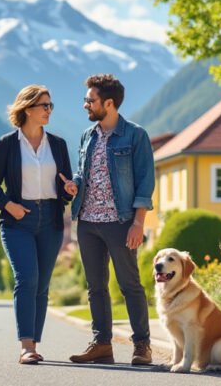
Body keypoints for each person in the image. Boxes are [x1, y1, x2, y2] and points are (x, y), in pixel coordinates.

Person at [62, 73, 155, 366]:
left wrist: (138, 223)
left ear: (109, 103)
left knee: (130, 285)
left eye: (90, 100)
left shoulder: (135, 135)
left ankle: (142, 346)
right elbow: (84, 172)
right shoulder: (87, 136)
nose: (85, 105)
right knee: (96, 287)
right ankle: (102, 344)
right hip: (87, 221)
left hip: (120, 221)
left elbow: (145, 181)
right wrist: (74, 184)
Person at [0, 85, 77, 365]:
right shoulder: (7, 144)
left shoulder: (58, 145)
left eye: (50, 106)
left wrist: (70, 190)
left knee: (42, 286)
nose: (49, 110)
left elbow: (64, 185)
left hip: (50, 218)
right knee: (27, 280)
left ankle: (34, 343)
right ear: (27, 109)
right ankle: (26, 347)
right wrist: (8, 205)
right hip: (18, 220)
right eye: (44, 106)